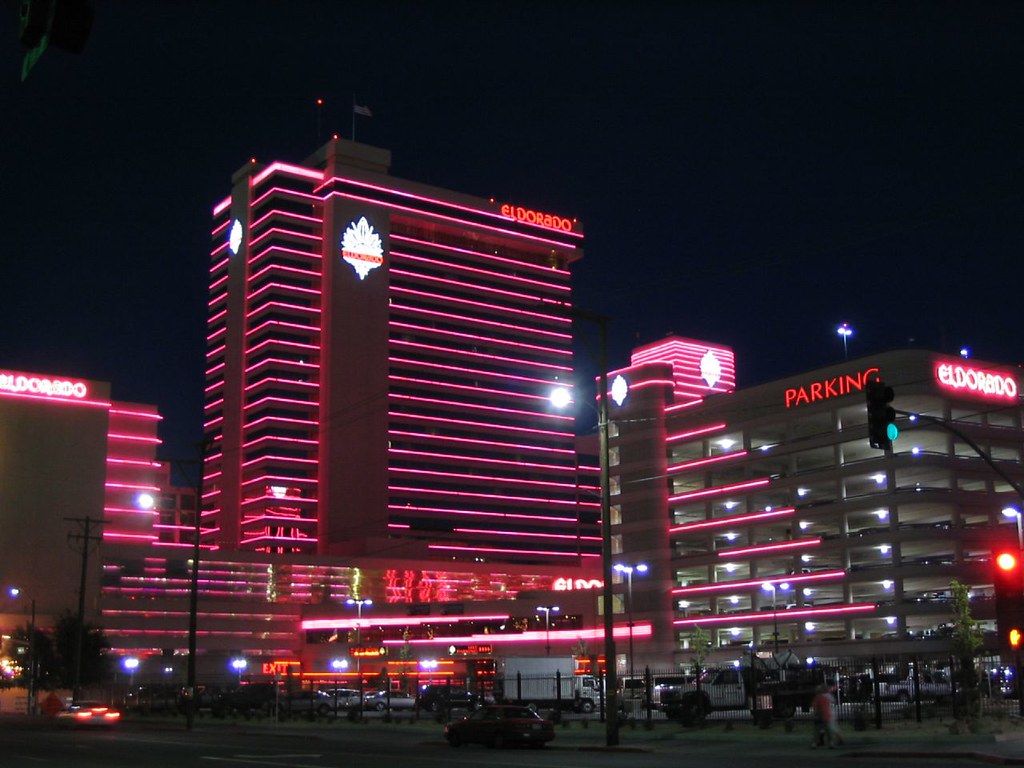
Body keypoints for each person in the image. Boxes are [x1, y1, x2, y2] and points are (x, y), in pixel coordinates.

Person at [811, 683, 843, 748]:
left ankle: (817, 742)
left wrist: (816, 714)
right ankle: (831, 742)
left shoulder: (819, 697)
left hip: (821, 715)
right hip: (827, 715)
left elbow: (816, 706)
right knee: (829, 729)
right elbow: (830, 704)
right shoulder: (827, 696)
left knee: (819, 729)